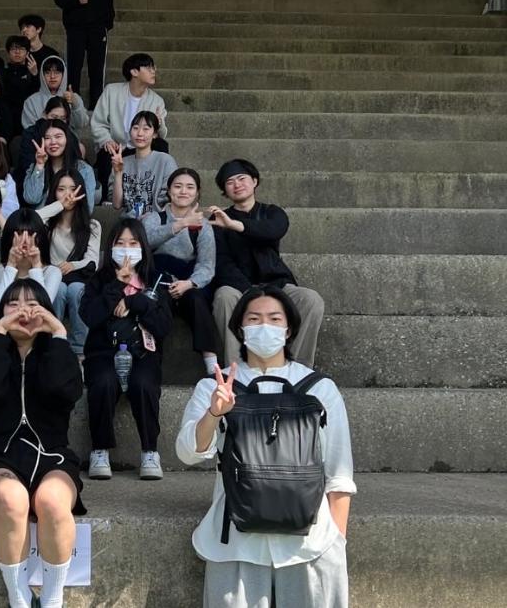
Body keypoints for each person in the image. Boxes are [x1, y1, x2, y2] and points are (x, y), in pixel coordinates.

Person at [175, 285, 355, 608]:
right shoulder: (214, 386)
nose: (264, 326)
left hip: (311, 545)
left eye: (274, 319)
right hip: (235, 542)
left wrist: (337, 542)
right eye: (254, 319)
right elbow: (188, 452)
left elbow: (339, 474)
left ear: (289, 330)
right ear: (240, 329)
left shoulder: (320, 388)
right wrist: (214, 413)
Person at [0, 278, 85, 608]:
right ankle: (19, 599)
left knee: (53, 501)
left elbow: (65, 392)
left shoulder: (56, 352)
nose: (23, 311)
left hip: (53, 456)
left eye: (33, 305)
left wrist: (58, 334)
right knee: (12, 498)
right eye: (13, 304)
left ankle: (52, 600)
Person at [209, 158, 325, 368]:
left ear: (254, 181)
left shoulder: (272, 213)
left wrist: (235, 225)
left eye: (242, 178)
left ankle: (295, 369)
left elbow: (272, 231)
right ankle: (237, 372)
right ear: (225, 190)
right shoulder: (218, 220)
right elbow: (222, 263)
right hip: (238, 288)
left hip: (276, 284)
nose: (237, 184)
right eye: (230, 182)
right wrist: (249, 291)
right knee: (224, 296)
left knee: (311, 299)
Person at [81, 217, 172, 481]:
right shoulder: (98, 279)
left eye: (133, 243)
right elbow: (90, 316)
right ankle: (100, 450)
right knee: (103, 382)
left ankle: (150, 452)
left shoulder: (157, 279)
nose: (127, 249)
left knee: (143, 384)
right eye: (120, 243)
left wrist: (136, 302)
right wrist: (116, 286)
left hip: (143, 352)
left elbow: (163, 326)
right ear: (110, 247)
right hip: (103, 352)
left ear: (143, 247)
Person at [143, 168, 219, 376]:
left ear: (197, 192)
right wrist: (181, 224)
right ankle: (150, 361)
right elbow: (144, 243)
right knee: (156, 302)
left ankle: (211, 363)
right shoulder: (154, 218)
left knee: (197, 300)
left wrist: (190, 283)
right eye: (177, 186)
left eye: (190, 187)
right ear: (169, 191)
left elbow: (207, 264)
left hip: (187, 280)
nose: (183, 191)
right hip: (157, 278)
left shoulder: (203, 226)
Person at [91, 53, 168, 201]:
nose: (154, 71)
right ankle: (108, 197)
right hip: (117, 145)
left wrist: (159, 124)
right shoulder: (111, 91)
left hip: (142, 146)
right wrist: (106, 140)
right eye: (149, 67)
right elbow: (98, 123)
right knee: (107, 152)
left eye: (154, 68)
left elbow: (161, 134)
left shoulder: (157, 100)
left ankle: (157, 195)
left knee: (161, 145)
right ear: (134, 71)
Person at [40, 168, 100, 357]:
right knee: (58, 289)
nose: (68, 194)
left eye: (73, 189)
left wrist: (73, 265)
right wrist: (59, 205)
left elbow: (93, 260)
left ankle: (79, 351)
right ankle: (53, 344)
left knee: (75, 290)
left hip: (80, 276)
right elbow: (33, 218)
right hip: (51, 275)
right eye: (61, 189)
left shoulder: (92, 225)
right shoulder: (47, 224)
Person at [53, 0, 114, 110]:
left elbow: (110, 0)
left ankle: (96, 107)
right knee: (74, 67)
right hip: (76, 28)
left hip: (98, 28)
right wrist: (76, 0)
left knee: (97, 69)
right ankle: (72, 106)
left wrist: (108, 22)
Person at [0, 208, 62, 330]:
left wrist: (36, 266)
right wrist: (11, 265)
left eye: (30, 234)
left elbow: (42, 308)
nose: (25, 241)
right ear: (9, 237)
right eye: (18, 233)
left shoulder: (52, 272)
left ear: (40, 238)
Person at [110, 111, 176, 217]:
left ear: (155, 134)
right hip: (130, 222)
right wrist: (118, 173)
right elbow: (117, 205)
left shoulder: (165, 161)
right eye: (135, 128)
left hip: (157, 221)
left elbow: (170, 199)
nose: (140, 133)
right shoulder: (122, 162)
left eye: (146, 129)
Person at [23, 118, 97, 212]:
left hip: (72, 219)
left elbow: (88, 208)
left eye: (58, 136)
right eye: (47, 138)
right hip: (44, 220)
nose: (53, 142)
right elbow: (31, 198)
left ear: (67, 139)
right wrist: (40, 166)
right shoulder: (36, 167)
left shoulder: (84, 169)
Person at [12, 96, 80, 196]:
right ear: (45, 114)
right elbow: (26, 165)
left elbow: (76, 161)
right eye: (54, 117)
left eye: (62, 119)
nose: (58, 122)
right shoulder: (31, 134)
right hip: (35, 183)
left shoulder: (71, 136)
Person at [21, 55, 89, 133]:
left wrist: (75, 105)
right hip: (39, 140)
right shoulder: (31, 101)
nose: (52, 76)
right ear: (42, 75)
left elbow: (81, 125)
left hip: (69, 140)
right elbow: (29, 129)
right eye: (47, 73)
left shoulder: (73, 98)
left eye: (57, 72)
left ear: (64, 75)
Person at [1, 35, 39, 132]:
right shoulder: (2, 72)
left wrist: (35, 75)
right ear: (8, 52)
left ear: (27, 52)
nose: (17, 52)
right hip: (7, 117)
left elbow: (36, 94)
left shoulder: (32, 72)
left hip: (28, 116)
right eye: (14, 49)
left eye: (21, 49)